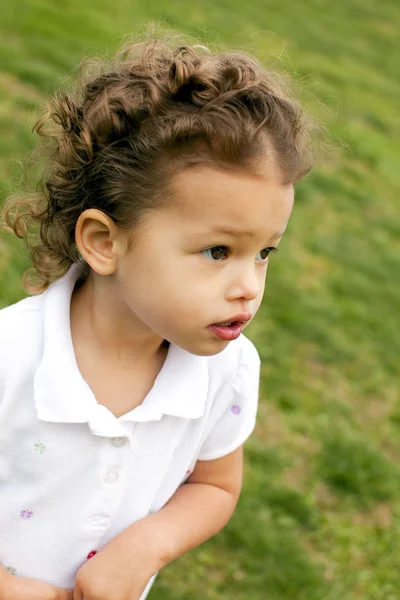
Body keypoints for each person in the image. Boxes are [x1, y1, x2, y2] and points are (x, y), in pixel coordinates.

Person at [0, 29, 313, 600]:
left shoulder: (228, 369)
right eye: (218, 251)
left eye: (264, 252)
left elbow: (215, 486)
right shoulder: (10, 359)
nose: (249, 287)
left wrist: (148, 544)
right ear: (104, 242)